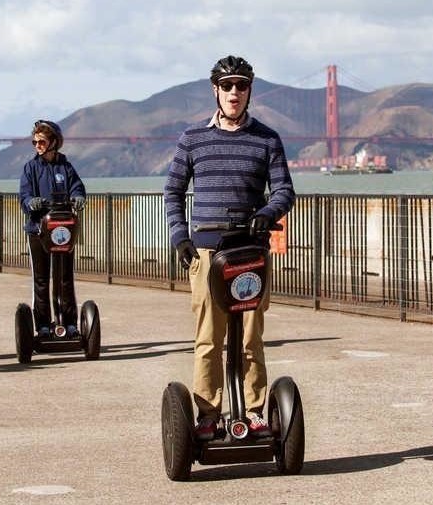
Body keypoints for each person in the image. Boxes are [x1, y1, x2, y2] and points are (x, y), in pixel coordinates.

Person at [163, 55, 296, 440]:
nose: (234, 92)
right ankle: (207, 414)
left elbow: (284, 190)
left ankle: (254, 411)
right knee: (209, 336)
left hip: (250, 250)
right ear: (215, 91)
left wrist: (268, 213)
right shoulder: (192, 139)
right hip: (205, 251)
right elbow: (172, 190)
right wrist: (179, 236)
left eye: (241, 85)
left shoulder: (267, 138)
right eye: (227, 86)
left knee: (251, 335)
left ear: (250, 90)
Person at [18, 120, 87, 338]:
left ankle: (69, 323)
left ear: (53, 142)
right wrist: (31, 202)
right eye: (34, 142)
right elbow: (24, 194)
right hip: (38, 229)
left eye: (41, 141)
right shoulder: (31, 168)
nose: (37, 145)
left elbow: (77, 186)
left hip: (63, 228)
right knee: (41, 279)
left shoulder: (65, 167)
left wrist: (78, 197)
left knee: (65, 277)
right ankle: (43, 325)